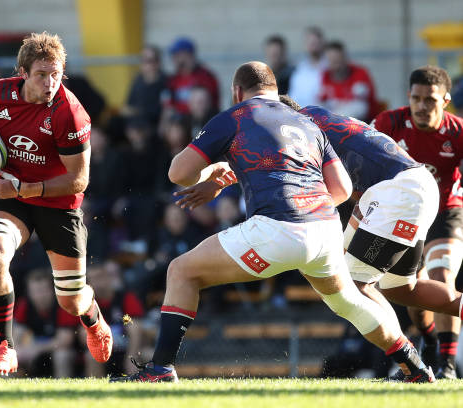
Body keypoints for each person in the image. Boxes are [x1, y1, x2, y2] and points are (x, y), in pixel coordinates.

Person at [111, 61, 434, 383]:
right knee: (348, 301)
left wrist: (211, 172)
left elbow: (178, 173)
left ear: (237, 91)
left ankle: (161, 369)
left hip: (278, 229)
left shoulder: (236, 116)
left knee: (181, 271)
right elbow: (342, 190)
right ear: (277, 91)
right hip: (324, 231)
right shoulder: (307, 122)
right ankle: (414, 366)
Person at [0, 31, 113, 377]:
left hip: (59, 203)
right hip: (13, 197)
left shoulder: (70, 112)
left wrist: (25, 186)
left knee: (70, 301)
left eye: (56, 74)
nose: (51, 82)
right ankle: (6, 348)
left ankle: (93, 317)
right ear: (23, 72)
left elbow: (79, 180)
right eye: (42, 74)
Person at [277, 96, 463, 379]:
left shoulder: (303, 131)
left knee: (352, 285)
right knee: (401, 289)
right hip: (408, 188)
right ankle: (415, 362)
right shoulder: (318, 118)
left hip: (399, 195)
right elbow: (358, 191)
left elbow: (333, 193)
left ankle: (413, 366)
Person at [371, 66, 463, 378]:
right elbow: (363, 159)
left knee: (441, 276)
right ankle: (428, 344)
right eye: (416, 98)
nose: (422, 106)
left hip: (446, 213)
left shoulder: (459, 133)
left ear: (446, 100)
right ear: (409, 97)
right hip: (406, 214)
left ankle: (447, 366)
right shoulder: (389, 123)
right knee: (407, 287)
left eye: (430, 100)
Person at [13, 268, 77, 378]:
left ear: (52, 290)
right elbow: (15, 337)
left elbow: (65, 341)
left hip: (62, 352)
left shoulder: (63, 304)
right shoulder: (24, 305)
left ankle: (64, 391)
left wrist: (36, 349)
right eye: (36, 292)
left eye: (43, 290)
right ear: (29, 293)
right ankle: (10, 393)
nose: (40, 296)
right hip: (34, 351)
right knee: (10, 357)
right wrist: (20, 350)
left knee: (62, 355)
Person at [319, 41, 379, 122]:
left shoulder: (360, 74)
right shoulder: (325, 76)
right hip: (335, 125)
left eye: (338, 61)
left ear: (345, 59)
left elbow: (362, 109)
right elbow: (321, 103)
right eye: (332, 62)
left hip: (365, 125)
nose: (336, 67)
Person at [288, 27, 327, 107]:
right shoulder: (300, 69)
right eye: (310, 42)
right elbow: (294, 96)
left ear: (322, 43)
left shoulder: (330, 67)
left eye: (315, 42)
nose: (313, 46)